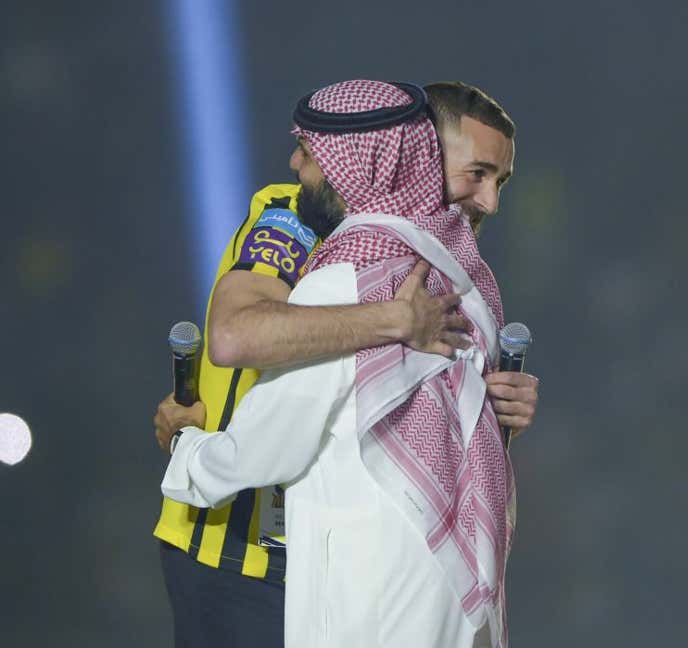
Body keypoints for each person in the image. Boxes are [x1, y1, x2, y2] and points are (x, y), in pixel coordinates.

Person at [152, 80, 537, 648]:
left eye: (499, 181)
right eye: (476, 173)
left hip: (336, 561)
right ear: (418, 153)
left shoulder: (447, 268)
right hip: (237, 551)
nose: (489, 201)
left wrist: (493, 406)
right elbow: (234, 335)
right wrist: (392, 319)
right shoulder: (293, 218)